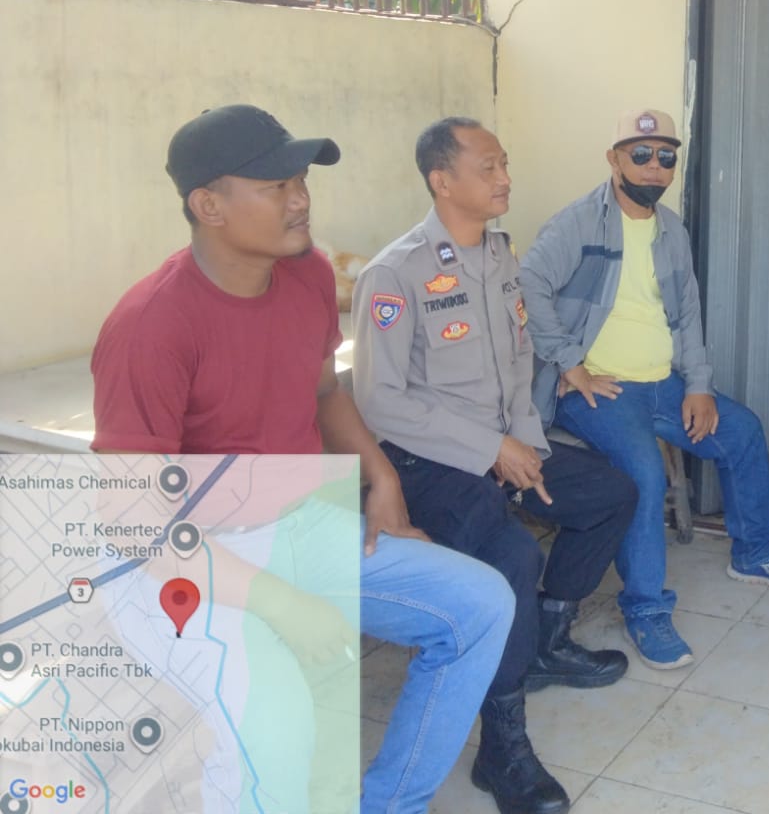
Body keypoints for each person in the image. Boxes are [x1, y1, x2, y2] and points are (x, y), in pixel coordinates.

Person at [91, 104, 515, 814]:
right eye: (275, 187)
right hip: (180, 562)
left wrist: (381, 476)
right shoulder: (151, 326)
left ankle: (390, 804)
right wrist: (285, 605)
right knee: (277, 732)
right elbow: (137, 524)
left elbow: (321, 391)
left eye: (300, 181)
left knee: (481, 605)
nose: (300, 200)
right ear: (208, 205)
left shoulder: (309, 274)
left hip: (292, 527)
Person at [354, 117, 640, 814]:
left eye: (504, 163)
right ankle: (502, 744)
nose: (505, 178)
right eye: (488, 167)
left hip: (506, 446)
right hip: (430, 464)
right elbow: (380, 401)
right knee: (509, 554)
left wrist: (524, 444)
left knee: (610, 494)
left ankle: (546, 638)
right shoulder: (395, 272)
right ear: (442, 180)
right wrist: (490, 452)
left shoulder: (500, 256)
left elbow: (517, 365)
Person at [519, 108, 769, 670]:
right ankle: (646, 608)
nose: (654, 167)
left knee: (742, 432)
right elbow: (527, 284)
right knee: (644, 473)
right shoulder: (577, 223)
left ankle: (755, 553)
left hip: (665, 384)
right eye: (640, 155)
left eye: (665, 157)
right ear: (613, 160)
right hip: (602, 392)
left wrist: (698, 386)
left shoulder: (670, 230)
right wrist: (568, 364)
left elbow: (686, 315)